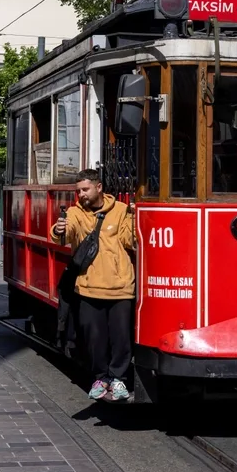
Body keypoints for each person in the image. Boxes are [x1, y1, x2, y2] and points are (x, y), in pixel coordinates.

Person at [53, 169, 137, 402]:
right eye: (78, 190)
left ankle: (118, 379)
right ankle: (101, 378)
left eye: (85, 189)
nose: (81, 194)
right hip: (88, 287)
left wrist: (136, 219)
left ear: (99, 187)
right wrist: (59, 230)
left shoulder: (120, 210)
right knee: (94, 338)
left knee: (121, 338)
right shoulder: (75, 212)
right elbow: (67, 232)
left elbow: (130, 241)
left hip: (120, 287)